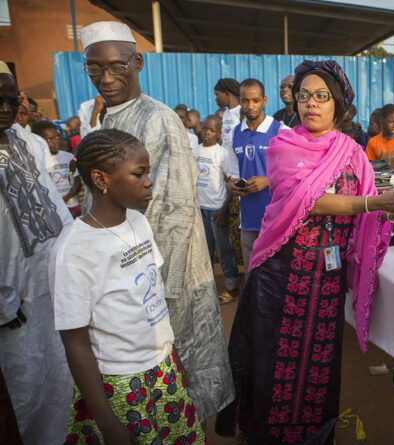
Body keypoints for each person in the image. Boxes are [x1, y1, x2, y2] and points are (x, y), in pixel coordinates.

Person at [220, 59, 394, 445]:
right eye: (304, 95)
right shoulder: (284, 145)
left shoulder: (351, 151)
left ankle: (314, 435)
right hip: (281, 274)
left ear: (338, 105)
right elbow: (307, 200)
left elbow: (369, 201)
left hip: (323, 280)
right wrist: (376, 205)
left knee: (318, 363)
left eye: (321, 96)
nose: (311, 103)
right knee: (274, 360)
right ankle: (266, 435)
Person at [79, 20, 234, 420]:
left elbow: (174, 211)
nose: (107, 78)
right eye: (95, 69)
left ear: (139, 62)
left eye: (117, 66)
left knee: (176, 375)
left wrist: (154, 286)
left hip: (163, 270)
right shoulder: (109, 118)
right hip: (129, 271)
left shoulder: (158, 119)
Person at [49, 129, 207, 444]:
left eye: (147, 172)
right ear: (101, 179)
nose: (149, 181)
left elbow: (153, 297)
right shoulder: (73, 251)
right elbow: (76, 342)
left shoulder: (138, 222)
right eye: (139, 174)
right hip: (120, 383)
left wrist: (172, 356)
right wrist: (108, 423)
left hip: (162, 370)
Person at [0, 60, 73, 445]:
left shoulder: (27, 140)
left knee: (60, 369)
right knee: (22, 380)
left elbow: (55, 208)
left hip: (49, 277)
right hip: (11, 301)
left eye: (12, 100)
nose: (5, 109)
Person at [229, 78, 288, 266]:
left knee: (276, 276)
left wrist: (268, 180)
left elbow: (297, 171)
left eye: (255, 100)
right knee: (252, 275)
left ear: (264, 100)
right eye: (245, 101)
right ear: (240, 101)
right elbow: (233, 173)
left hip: (276, 221)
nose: (250, 106)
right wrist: (231, 185)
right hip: (247, 221)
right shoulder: (235, 133)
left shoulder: (280, 131)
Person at [193, 115, 241, 301]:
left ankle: (232, 286)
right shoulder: (195, 151)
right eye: (204, 129)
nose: (207, 133)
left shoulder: (222, 154)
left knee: (224, 250)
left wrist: (224, 209)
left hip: (217, 210)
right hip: (200, 208)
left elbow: (231, 182)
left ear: (219, 133)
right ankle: (207, 286)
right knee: (205, 250)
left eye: (212, 130)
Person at [33, 121, 82, 217]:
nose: (55, 141)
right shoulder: (39, 160)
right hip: (53, 208)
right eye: (49, 139)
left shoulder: (68, 156)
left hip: (72, 205)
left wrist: (65, 199)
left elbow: (77, 182)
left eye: (56, 137)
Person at [215, 78, 241, 149]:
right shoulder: (226, 113)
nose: (216, 99)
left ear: (227, 94)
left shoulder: (241, 111)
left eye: (217, 95)